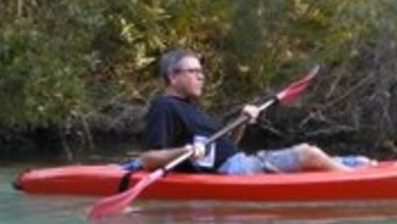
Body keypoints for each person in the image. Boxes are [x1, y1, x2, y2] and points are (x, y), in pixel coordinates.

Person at [139, 49, 372, 175]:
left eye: (201, 71)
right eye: (193, 71)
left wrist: (242, 123)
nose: (201, 77)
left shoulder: (192, 108)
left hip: (239, 162)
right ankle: (355, 182)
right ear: (173, 76)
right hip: (233, 171)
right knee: (308, 153)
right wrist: (186, 151)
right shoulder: (165, 106)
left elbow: (226, 148)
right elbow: (148, 159)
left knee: (354, 161)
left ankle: (356, 166)